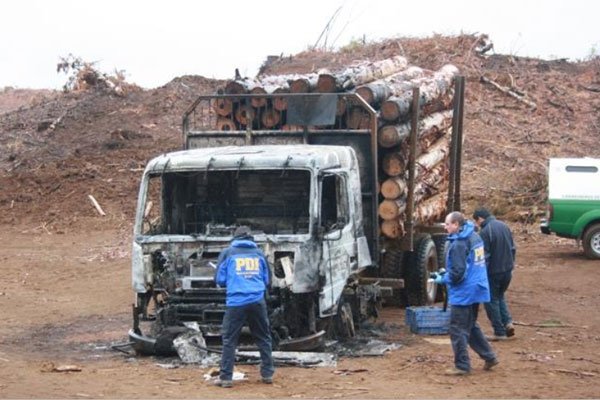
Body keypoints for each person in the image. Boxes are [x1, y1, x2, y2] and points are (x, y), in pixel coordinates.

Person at [433, 211, 499, 375]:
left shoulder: (459, 244)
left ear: (456, 225)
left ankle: (462, 365)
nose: (445, 227)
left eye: (447, 224)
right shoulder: (475, 236)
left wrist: (443, 278)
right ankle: (489, 356)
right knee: (470, 325)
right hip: (477, 288)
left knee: (457, 329)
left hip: (464, 293)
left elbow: (457, 274)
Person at [213, 226, 274, 388]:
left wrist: (235, 281)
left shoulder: (227, 253)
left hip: (236, 302)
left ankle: (226, 378)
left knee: (229, 340)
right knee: (263, 338)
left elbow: (219, 279)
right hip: (257, 300)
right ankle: (267, 374)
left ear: (235, 238)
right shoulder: (259, 253)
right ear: (250, 239)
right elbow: (267, 280)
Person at [473, 207, 516, 341]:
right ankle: (508, 322)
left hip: (493, 272)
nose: (476, 225)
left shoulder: (485, 232)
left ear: (480, 219)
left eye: (476, 222)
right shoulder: (504, 226)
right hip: (507, 270)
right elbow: (513, 248)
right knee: (500, 297)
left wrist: (480, 275)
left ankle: (499, 331)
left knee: (491, 300)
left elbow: (484, 256)